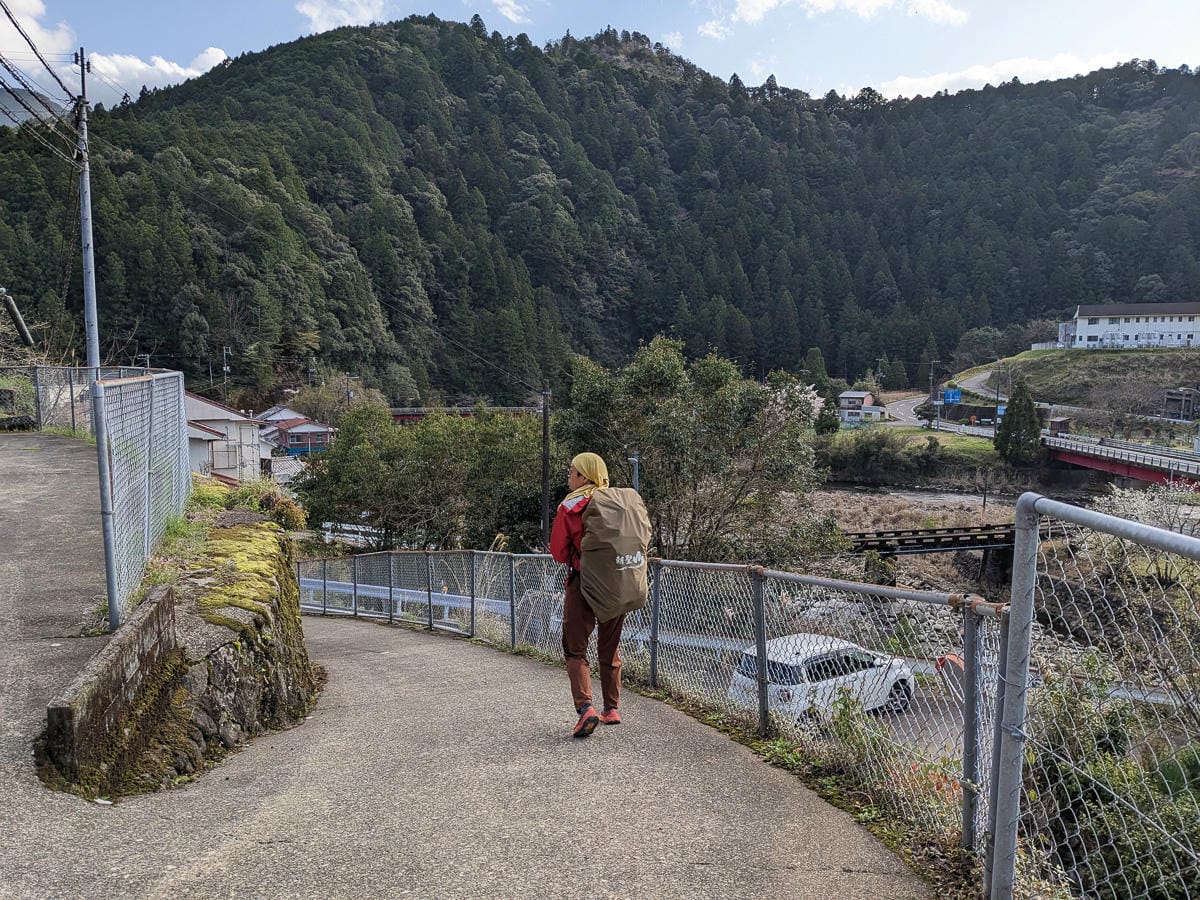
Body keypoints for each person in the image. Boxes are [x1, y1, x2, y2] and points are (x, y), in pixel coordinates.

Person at [549, 452, 625, 738]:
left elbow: (558, 552)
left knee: (575, 648)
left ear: (584, 476)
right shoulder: (619, 502)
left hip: (582, 582)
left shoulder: (570, 506)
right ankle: (612, 709)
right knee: (610, 644)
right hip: (617, 582)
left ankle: (585, 709)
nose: (569, 476)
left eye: (573, 471)